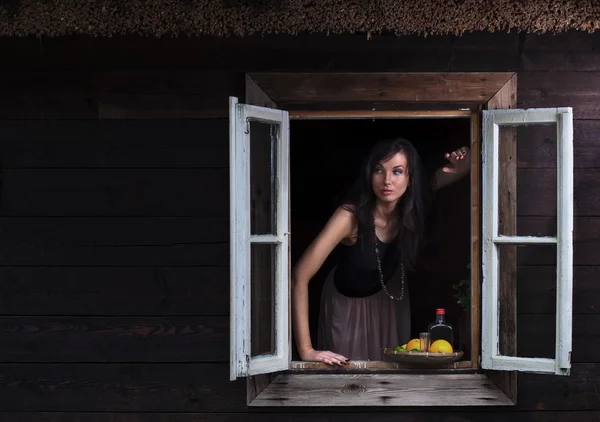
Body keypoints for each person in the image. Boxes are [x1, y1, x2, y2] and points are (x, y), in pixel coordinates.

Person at [291, 137, 470, 365]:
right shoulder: (349, 217)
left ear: (409, 177)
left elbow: (444, 176)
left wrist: (466, 160)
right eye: (379, 170)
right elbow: (299, 276)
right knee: (348, 379)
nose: (387, 181)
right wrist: (307, 350)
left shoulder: (410, 204)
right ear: (369, 174)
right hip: (348, 306)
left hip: (389, 301)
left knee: (390, 376)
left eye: (397, 171)